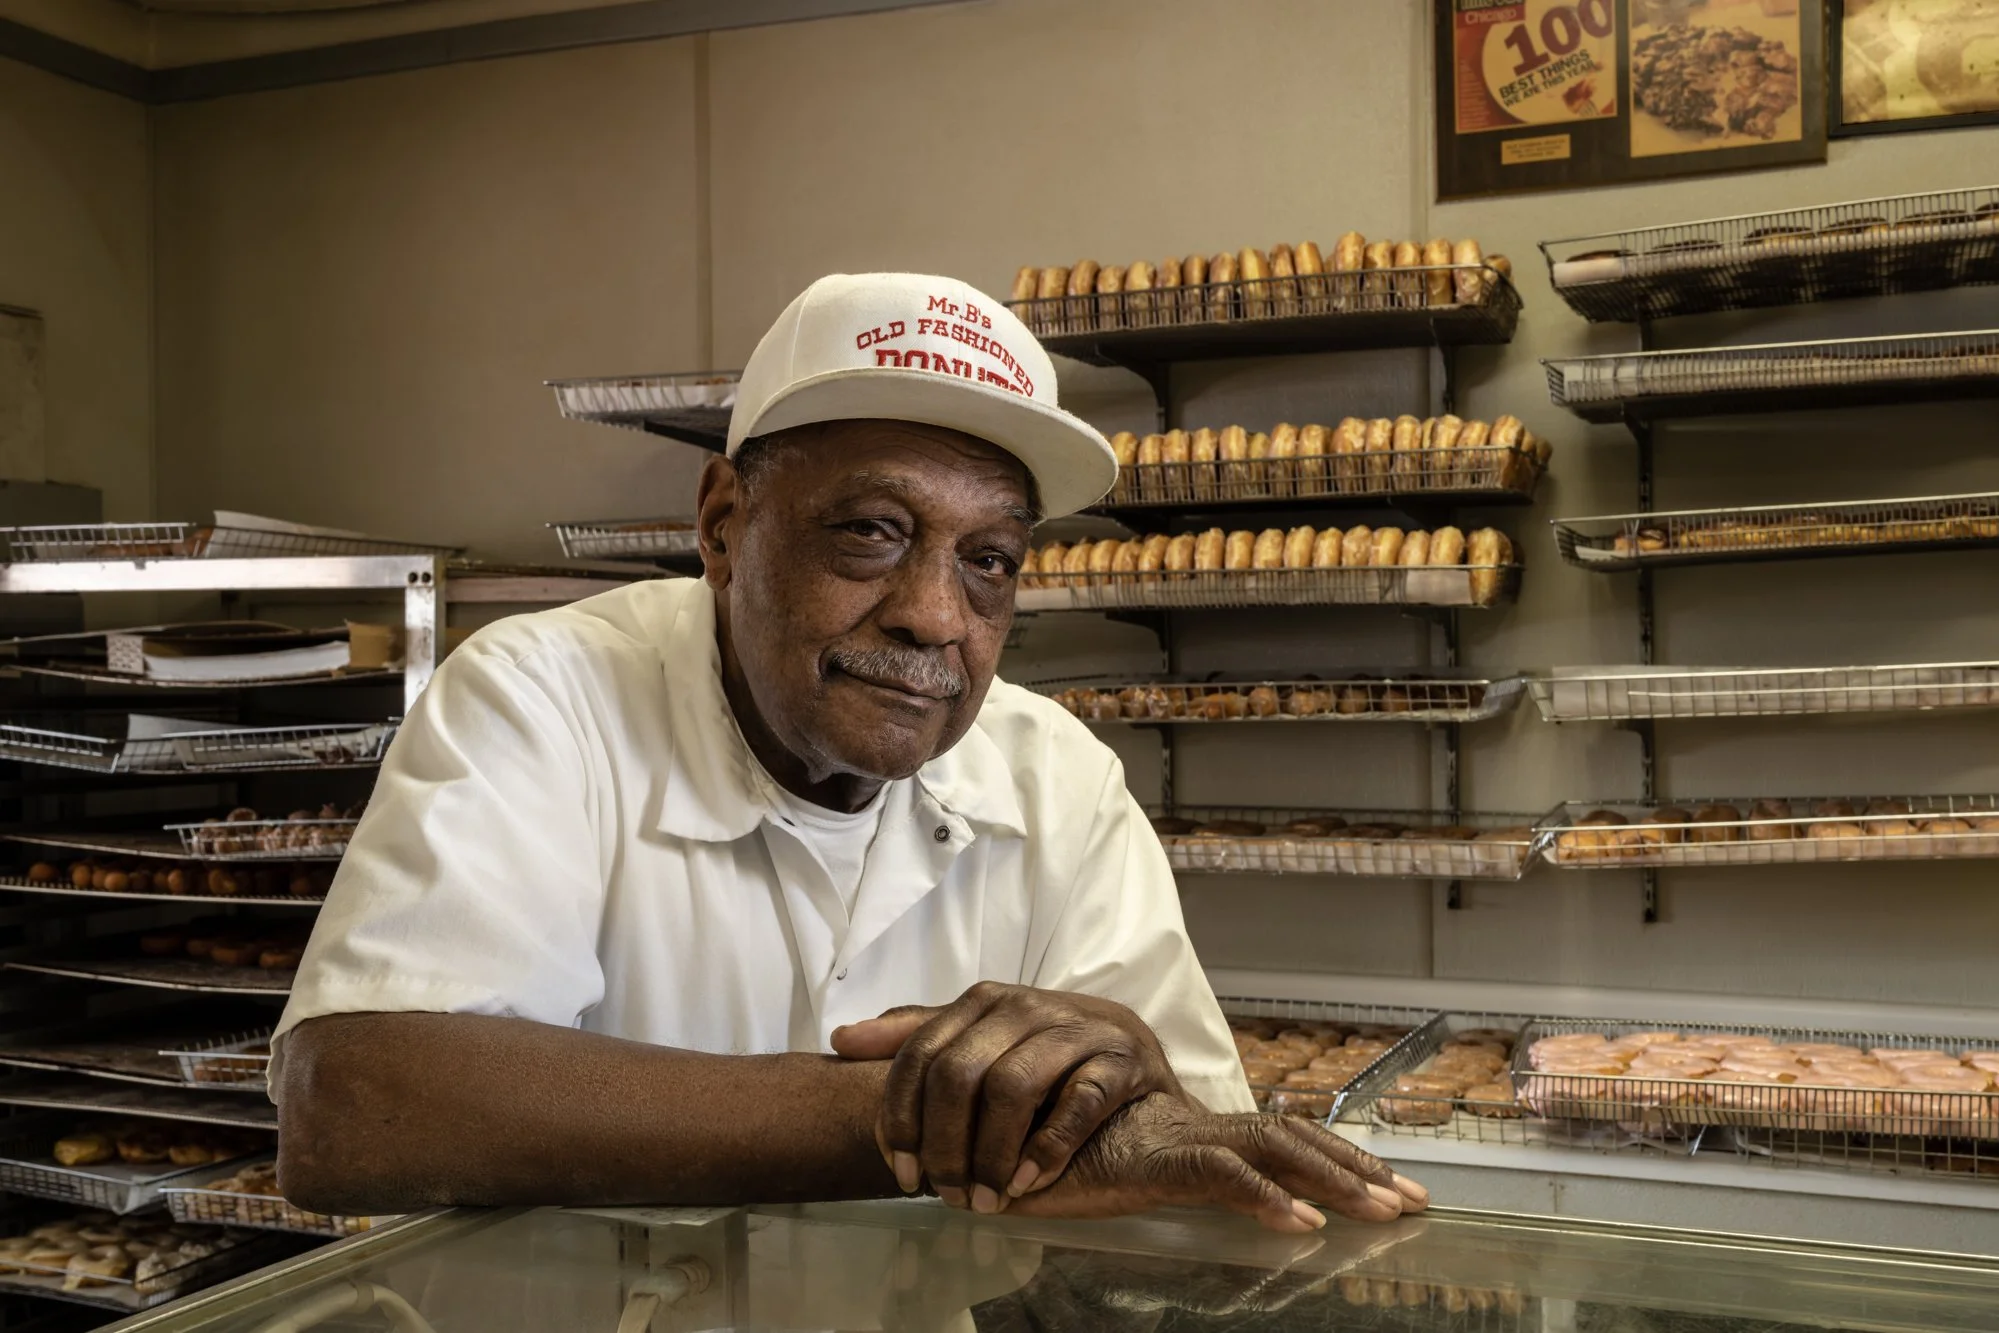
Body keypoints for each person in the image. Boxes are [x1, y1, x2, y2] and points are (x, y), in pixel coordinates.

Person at [271, 272, 1426, 1232]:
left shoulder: (1054, 777)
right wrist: (922, 1109)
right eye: (872, 532)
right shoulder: (545, 697)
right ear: (723, 524)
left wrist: (1130, 1078)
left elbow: (1164, 1161)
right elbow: (361, 1100)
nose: (935, 614)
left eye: (990, 559)